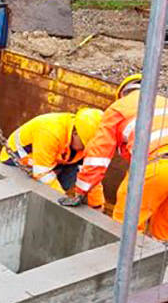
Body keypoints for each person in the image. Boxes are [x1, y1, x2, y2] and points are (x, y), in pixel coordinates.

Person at [59, 73, 168, 240]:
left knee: (124, 229)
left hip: (155, 166)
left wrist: (81, 192)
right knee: (163, 230)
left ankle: (120, 265)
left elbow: (98, 157)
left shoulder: (119, 108)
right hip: (159, 164)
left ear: (122, 94)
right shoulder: (163, 101)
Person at [0, 108, 104, 207]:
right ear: (75, 133)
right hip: (18, 161)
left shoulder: (81, 137)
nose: (85, 149)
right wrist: (62, 199)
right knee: (45, 182)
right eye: (84, 145)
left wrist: (97, 205)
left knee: (78, 170)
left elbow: (91, 173)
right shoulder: (50, 132)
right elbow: (42, 174)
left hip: (48, 161)